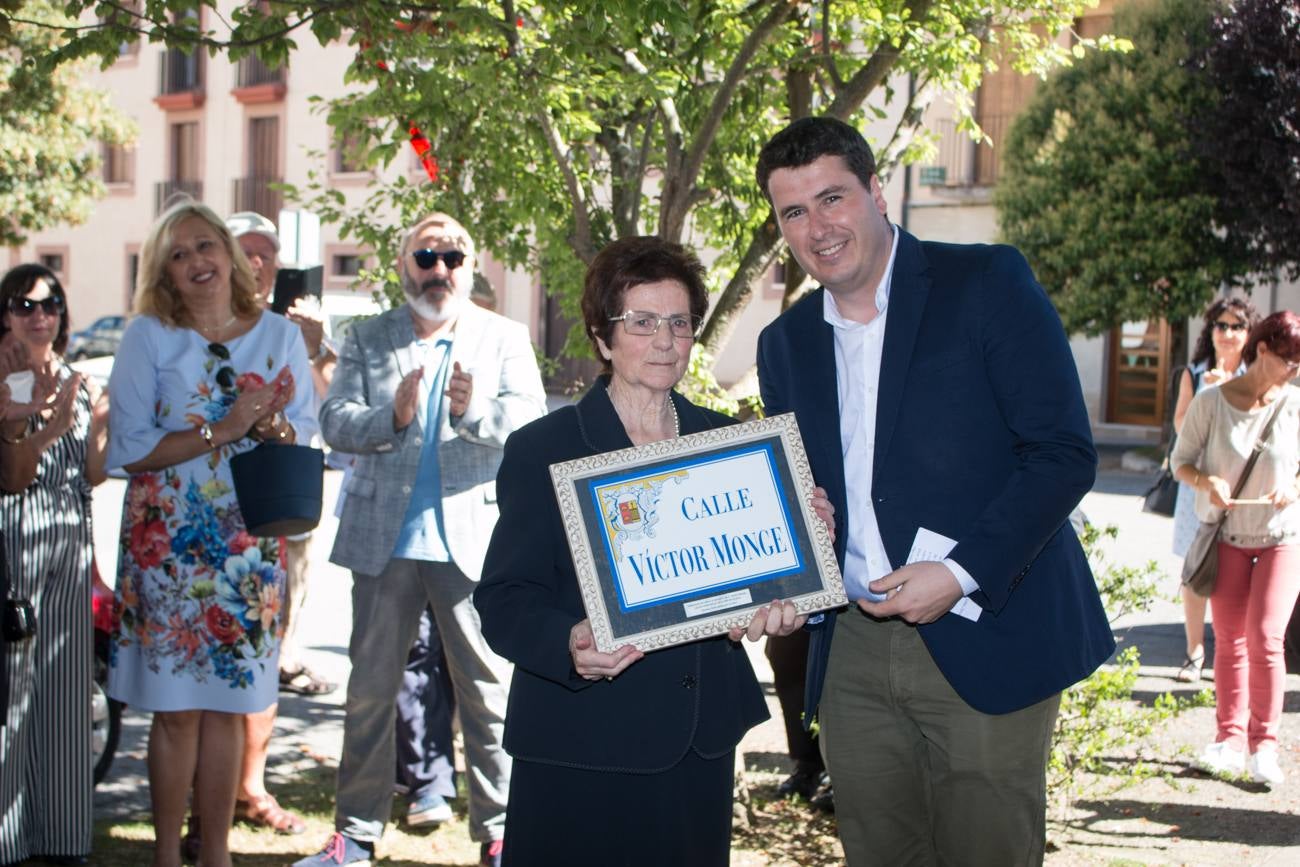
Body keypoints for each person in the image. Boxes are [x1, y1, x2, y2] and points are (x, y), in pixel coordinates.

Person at [754, 116, 1114, 866]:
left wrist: (957, 572)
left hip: (986, 624)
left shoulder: (984, 283)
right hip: (850, 645)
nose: (817, 227)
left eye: (832, 199)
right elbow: (807, 489)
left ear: (876, 191)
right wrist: (803, 516)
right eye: (794, 211)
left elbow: (1062, 453)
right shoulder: (783, 345)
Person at [474, 235, 826, 867]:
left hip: (698, 742)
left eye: (679, 322)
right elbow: (503, 600)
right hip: (580, 740)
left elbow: (761, 585)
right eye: (641, 322)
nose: (665, 340)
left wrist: (797, 559)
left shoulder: (730, 447)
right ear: (602, 337)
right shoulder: (543, 448)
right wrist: (568, 644)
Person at [298, 212, 546, 867]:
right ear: (403, 262)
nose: (439, 270)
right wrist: (394, 416)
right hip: (385, 542)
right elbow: (334, 419)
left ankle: (500, 833)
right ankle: (353, 834)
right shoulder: (367, 337)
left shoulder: (504, 336)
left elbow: (529, 421)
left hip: (475, 540)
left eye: (452, 258)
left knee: (488, 693)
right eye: (426, 256)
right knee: (371, 693)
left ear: (470, 265)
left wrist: (472, 413)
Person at [105, 200, 318, 867]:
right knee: (174, 711)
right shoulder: (149, 336)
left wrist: (274, 426)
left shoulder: (280, 335)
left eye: (205, 245)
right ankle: (169, 854)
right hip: (166, 545)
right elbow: (127, 448)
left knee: (229, 705)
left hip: (247, 547)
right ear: (164, 272)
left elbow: (305, 434)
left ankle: (216, 854)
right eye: (178, 253)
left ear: (229, 252)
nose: (196, 261)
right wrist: (224, 428)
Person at [0, 265, 109, 866]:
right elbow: (13, 478)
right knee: (12, 693)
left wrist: (95, 423)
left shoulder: (79, 378)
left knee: (68, 691)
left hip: (71, 540)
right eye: (25, 304)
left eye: (51, 305)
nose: (39, 316)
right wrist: (38, 425)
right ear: (6, 313)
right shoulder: (4, 379)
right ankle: (8, 839)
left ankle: (64, 839)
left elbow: (93, 475)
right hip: (15, 540)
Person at [1171, 310, 1300, 788]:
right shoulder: (1212, 401)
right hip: (1225, 535)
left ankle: (1264, 746)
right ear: (1262, 350)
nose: (1294, 370)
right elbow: (1180, 462)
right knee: (1229, 641)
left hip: (1281, 538)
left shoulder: (1295, 403)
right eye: (1288, 360)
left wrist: (1293, 487)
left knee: (1267, 638)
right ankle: (1228, 740)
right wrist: (1209, 482)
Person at [1170, 296, 1258, 682]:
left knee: (1241, 569)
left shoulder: (1257, 374)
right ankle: (1194, 652)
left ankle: (1230, 652)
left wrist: (1235, 390)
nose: (1228, 333)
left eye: (1237, 326)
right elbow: (1179, 430)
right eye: (1221, 326)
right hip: (1198, 485)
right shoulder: (1195, 372)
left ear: (1250, 333)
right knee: (1196, 568)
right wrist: (1208, 396)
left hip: (1244, 487)